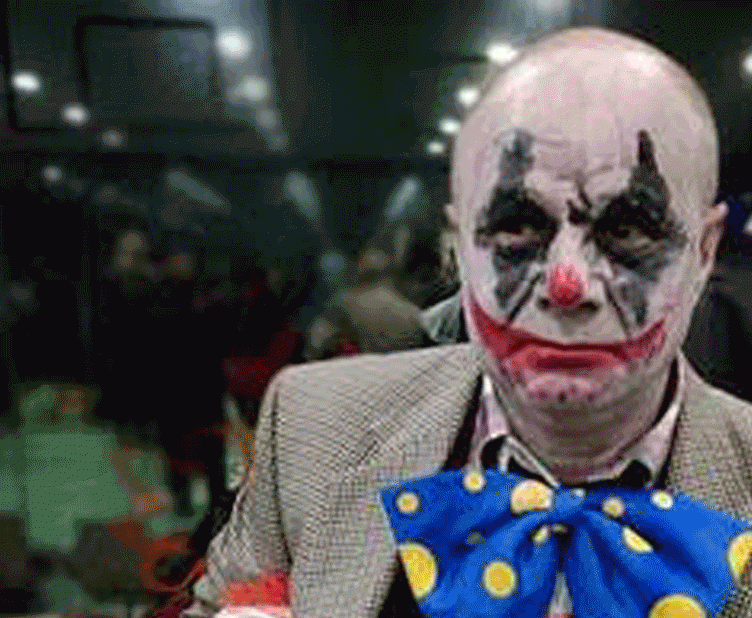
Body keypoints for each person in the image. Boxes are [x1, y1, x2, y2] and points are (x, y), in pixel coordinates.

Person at [183, 27, 752, 618]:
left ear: (704, 252)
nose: (567, 286)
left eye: (628, 229)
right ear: (459, 248)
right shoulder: (315, 429)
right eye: (518, 226)